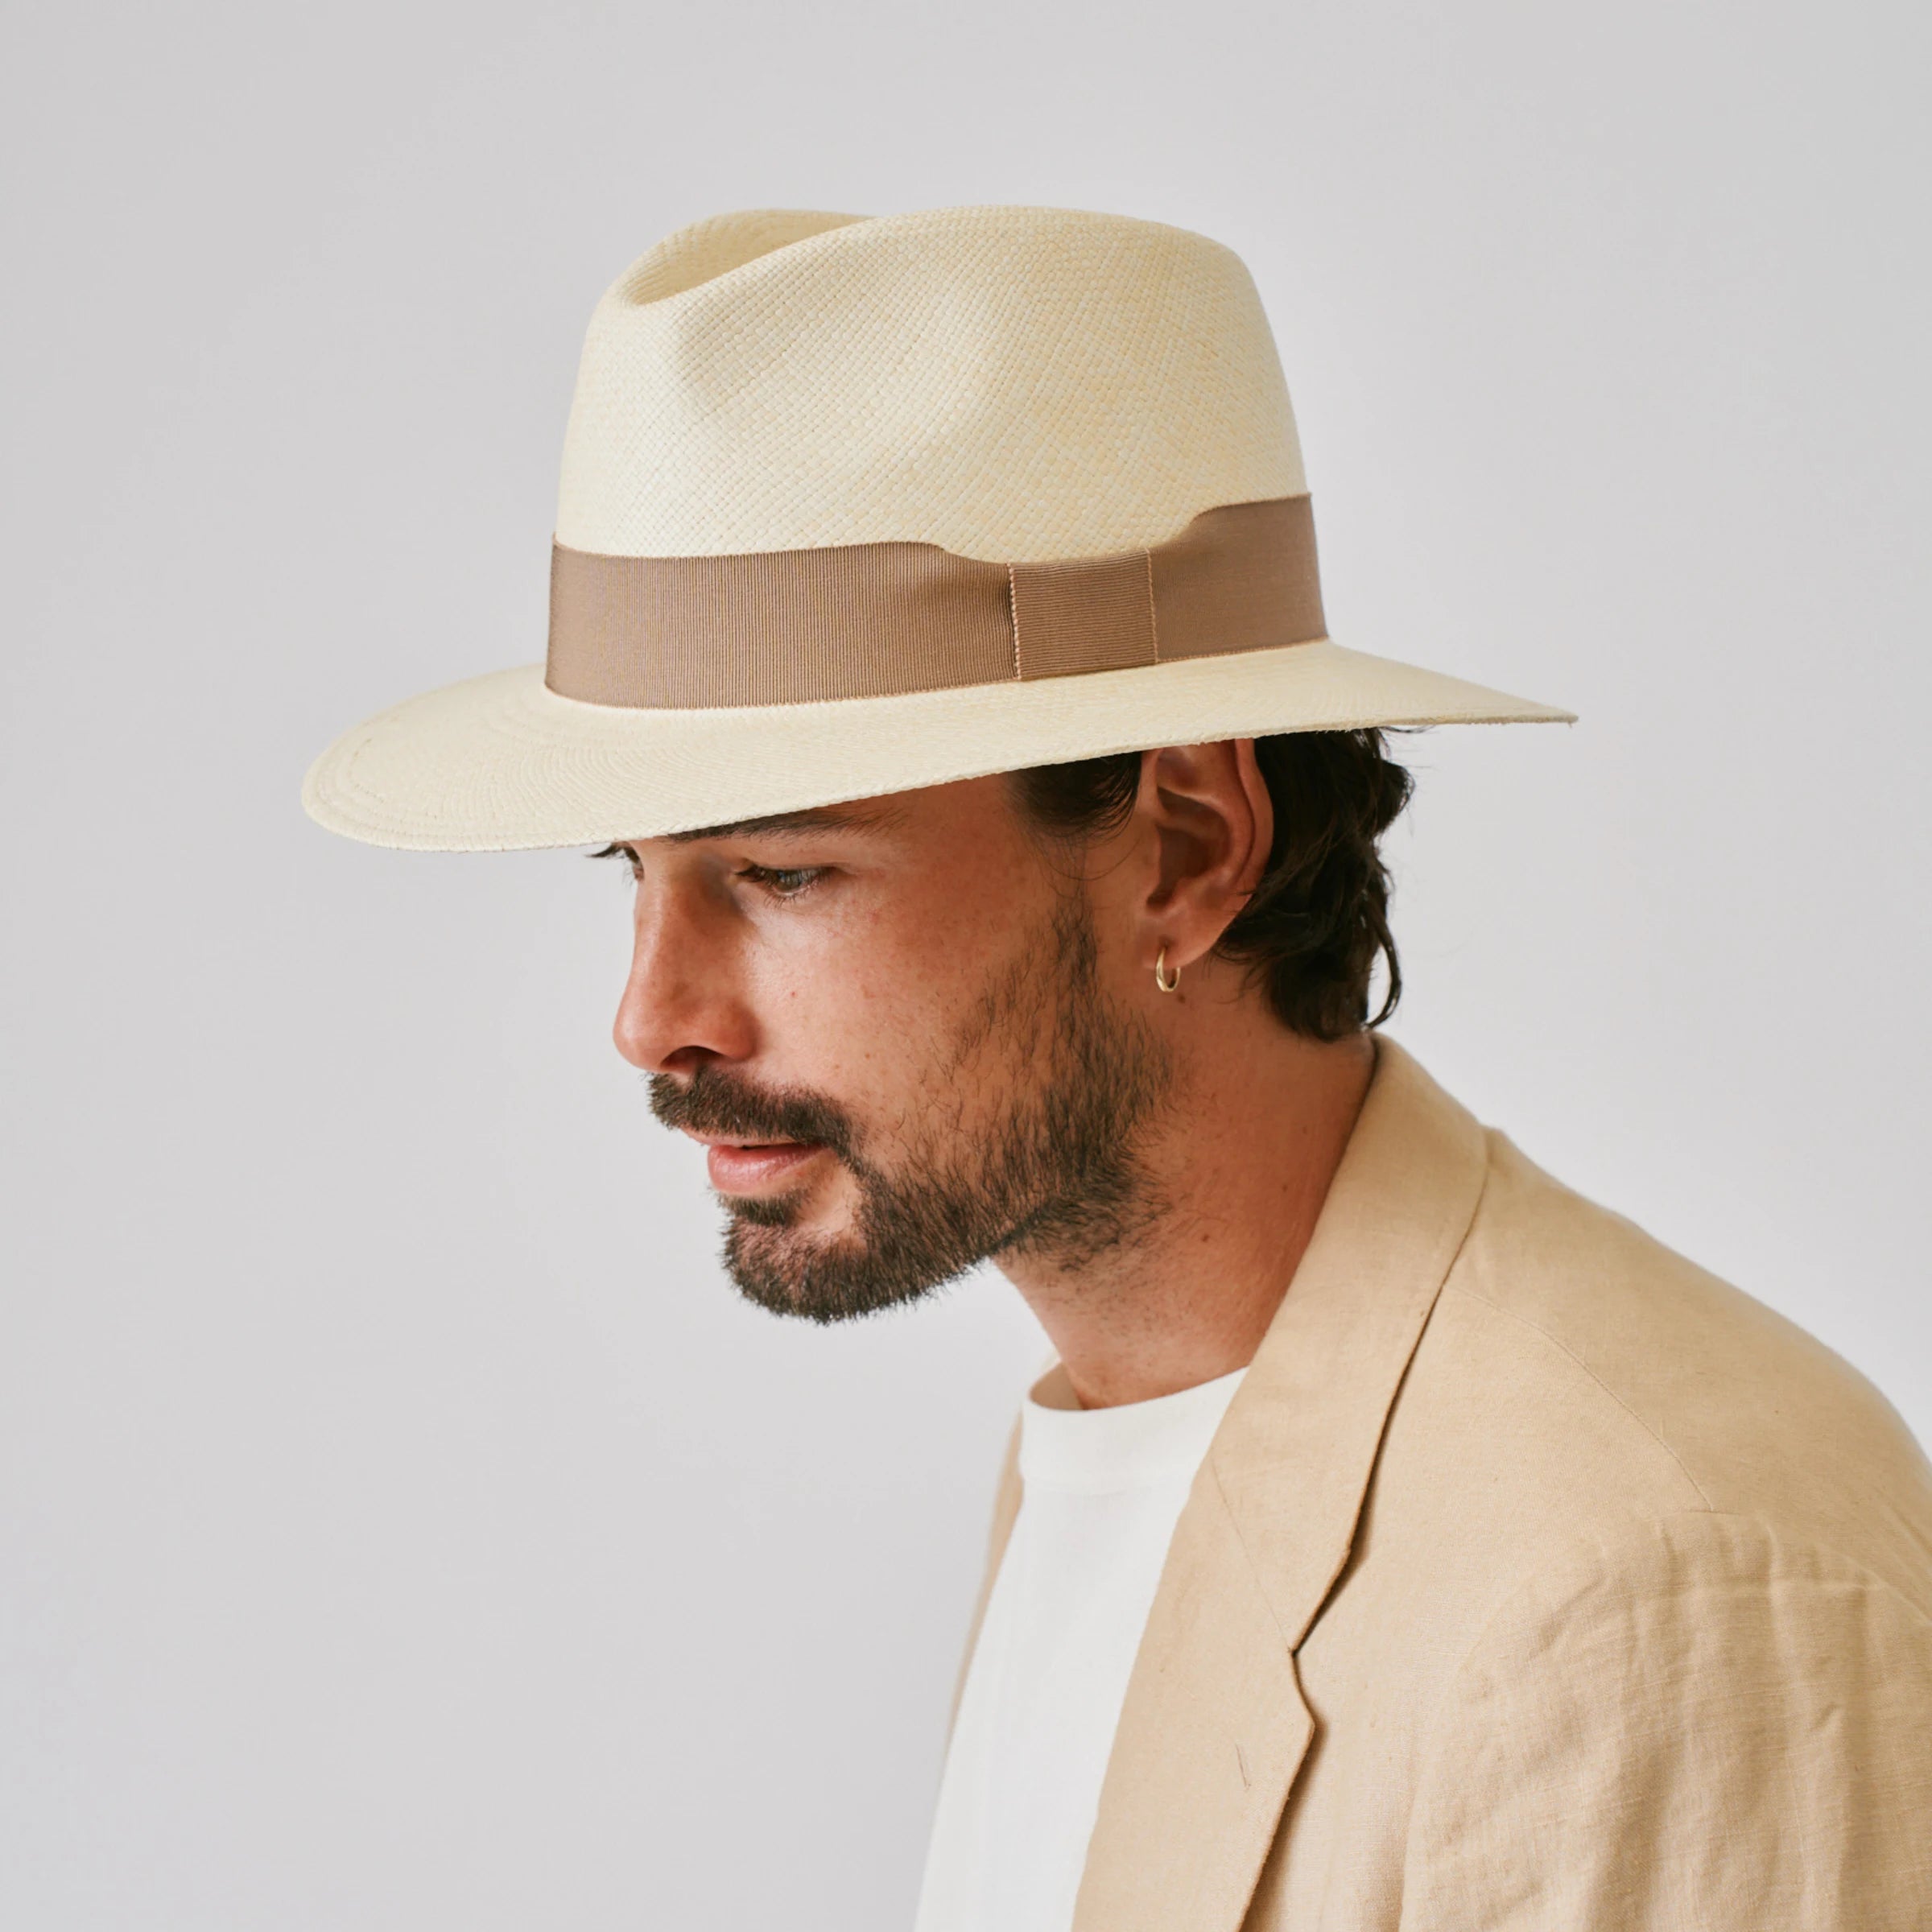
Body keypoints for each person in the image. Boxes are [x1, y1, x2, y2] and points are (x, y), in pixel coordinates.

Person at [305, 205, 1932, 1930]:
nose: (651, 1020)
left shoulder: (1649, 1588)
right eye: (630, 873)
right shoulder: (1123, 1439)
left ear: (1185, 845)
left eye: (781, 872)